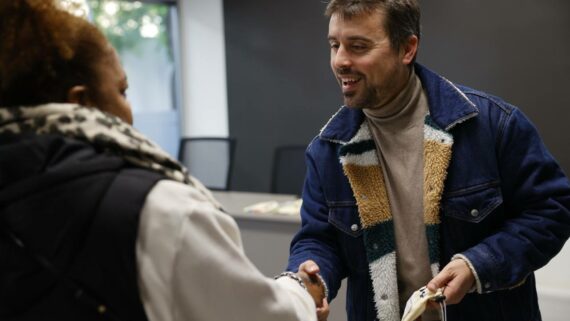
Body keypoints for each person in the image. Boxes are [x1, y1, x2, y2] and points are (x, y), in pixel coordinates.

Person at [0, 1, 325, 320]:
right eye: (122, 91)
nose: (130, 111)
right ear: (81, 103)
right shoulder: (159, 209)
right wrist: (300, 291)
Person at [285, 1, 570, 321]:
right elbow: (319, 240)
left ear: (407, 48)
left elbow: (552, 210)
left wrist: (479, 265)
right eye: (334, 45)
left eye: (358, 46)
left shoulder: (493, 125)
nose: (340, 61)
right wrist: (307, 281)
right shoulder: (327, 150)